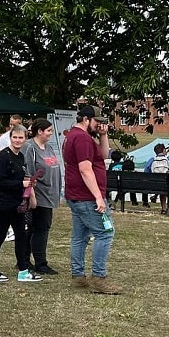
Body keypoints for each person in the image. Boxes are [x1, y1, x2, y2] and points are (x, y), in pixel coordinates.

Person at [63, 103, 120, 294]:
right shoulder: (82, 139)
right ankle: (99, 277)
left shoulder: (74, 136)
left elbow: (102, 156)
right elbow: (85, 169)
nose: (100, 125)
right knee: (105, 232)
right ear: (87, 120)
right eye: (97, 122)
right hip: (87, 197)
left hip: (76, 195)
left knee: (80, 236)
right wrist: (98, 197)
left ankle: (78, 275)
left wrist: (103, 136)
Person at [0, 125, 40, 282]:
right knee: (0, 236)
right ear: (10, 138)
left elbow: (18, 179)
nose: (17, 140)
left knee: (21, 236)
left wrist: (28, 184)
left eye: (20, 137)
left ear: (25, 139)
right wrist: (21, 184)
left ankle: (23, 270)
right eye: (14, 137)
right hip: (4, 204)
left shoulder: (20, 156)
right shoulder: (3, 157)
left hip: (17, 203)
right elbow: (0, 182)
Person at [24, 118, 61, 275]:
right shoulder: (30, 147)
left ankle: (27, 260)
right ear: (39, 131)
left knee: (40, 227)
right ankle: (39, 262)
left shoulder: (48, 147)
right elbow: (28, 174)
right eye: (49, 131)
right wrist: (32, 197)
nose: (51, 134)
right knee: (39, 228)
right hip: (38, 195)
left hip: (50, 193)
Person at [144, 143, 169, 214]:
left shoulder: (152, 160)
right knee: (166, 186)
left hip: (155, 185)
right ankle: (165, 208)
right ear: (163, 150)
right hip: (167, 185)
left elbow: (146, 173)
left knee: (160, 186)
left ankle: (163, 207)